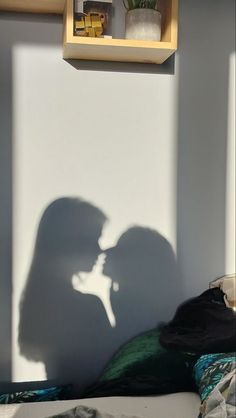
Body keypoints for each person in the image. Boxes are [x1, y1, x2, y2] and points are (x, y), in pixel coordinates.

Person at [18, 197, 111, 396]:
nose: (99, 249)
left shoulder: (38, 305)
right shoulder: (88, 306)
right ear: (69, 241)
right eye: (93, 238)